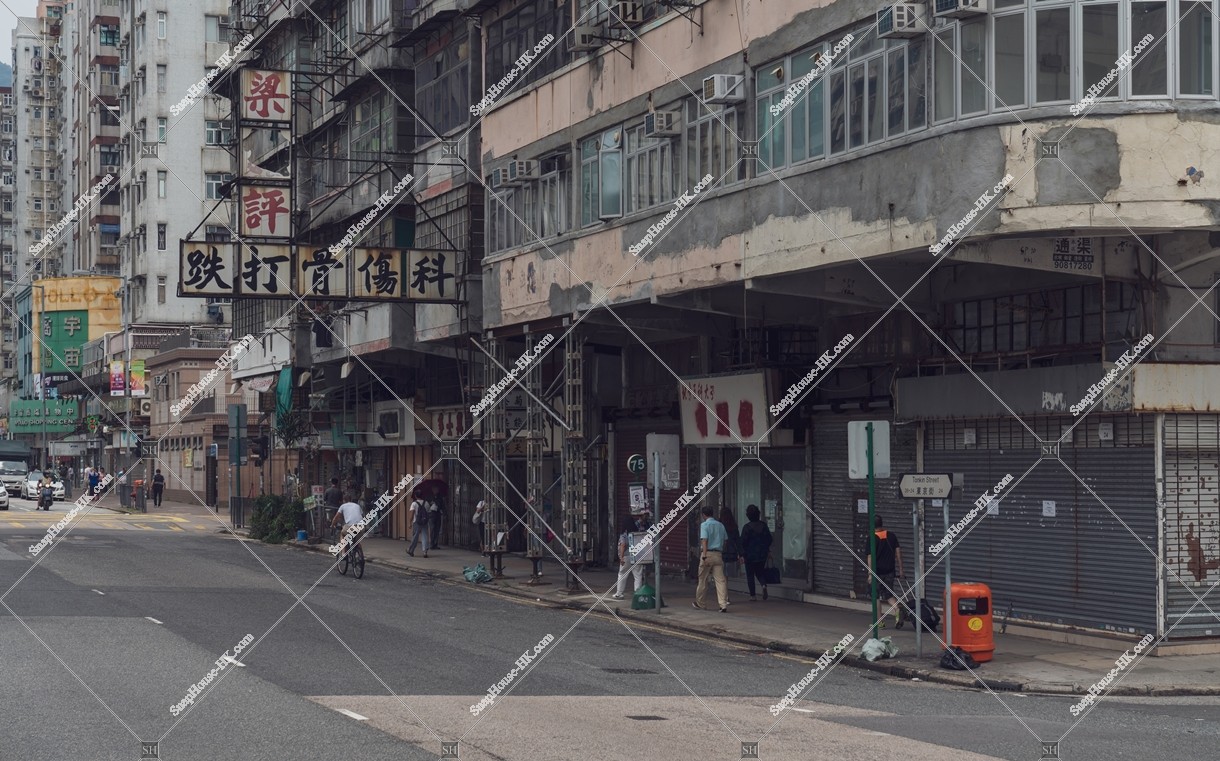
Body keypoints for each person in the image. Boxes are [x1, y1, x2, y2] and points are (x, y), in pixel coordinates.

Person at [866, 516, 905, 628]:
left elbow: (870, 557)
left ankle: (879, 622)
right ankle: (897, 609)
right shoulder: (891, 536)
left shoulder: (871, 538)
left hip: (877, 571)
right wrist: (901, 569)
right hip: (890, 570)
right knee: (888, 593)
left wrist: (869, 573)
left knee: (876, 595)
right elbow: (898, 553)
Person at [693, 505, 730, 612]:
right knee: (720, 580)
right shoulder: (721, 525)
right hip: (718, 555)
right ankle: (723, 604)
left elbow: (704, 540)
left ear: (703, 515)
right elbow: (726, 540)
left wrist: (704, 555)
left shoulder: (704, 525)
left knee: (703, 580)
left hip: (707, 554)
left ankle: (701, 603)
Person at [613, 509, 651, 600]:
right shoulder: (636, 531)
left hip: (626, 556)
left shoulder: (624, 533)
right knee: (638, 575)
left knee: (622, 574)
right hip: (637, 555)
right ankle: (637, 594)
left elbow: (623, 545)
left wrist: (621, 557)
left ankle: (619, 593)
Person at [740, 504, 773, 601]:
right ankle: (763, 585)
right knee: (759, 571)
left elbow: (742, 542)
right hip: (762, 553)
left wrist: (742, 553)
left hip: (749, 554)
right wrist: (766, 549)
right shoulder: (763, 525)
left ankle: (753, 595)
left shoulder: (747, 527)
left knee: (750, 575)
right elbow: (769, 539)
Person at [720, 506, 741, 578]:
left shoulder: (720, 525)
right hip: (731, 551)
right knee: (728, 572)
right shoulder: (733, 526)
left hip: (721, 550)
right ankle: (726, 583)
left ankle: (722, 586)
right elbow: (737, 540)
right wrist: (740, 553)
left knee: (720, 572)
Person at [407, 491, 430, 558]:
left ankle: (411, 550)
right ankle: (425, 551)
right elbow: (428, 513)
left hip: (416, 522)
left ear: (416, 496)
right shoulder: (426, 503)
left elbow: (412, 514)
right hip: (425, 522)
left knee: (415, 536)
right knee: (425, 535)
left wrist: (410, 523)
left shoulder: (414, 504)